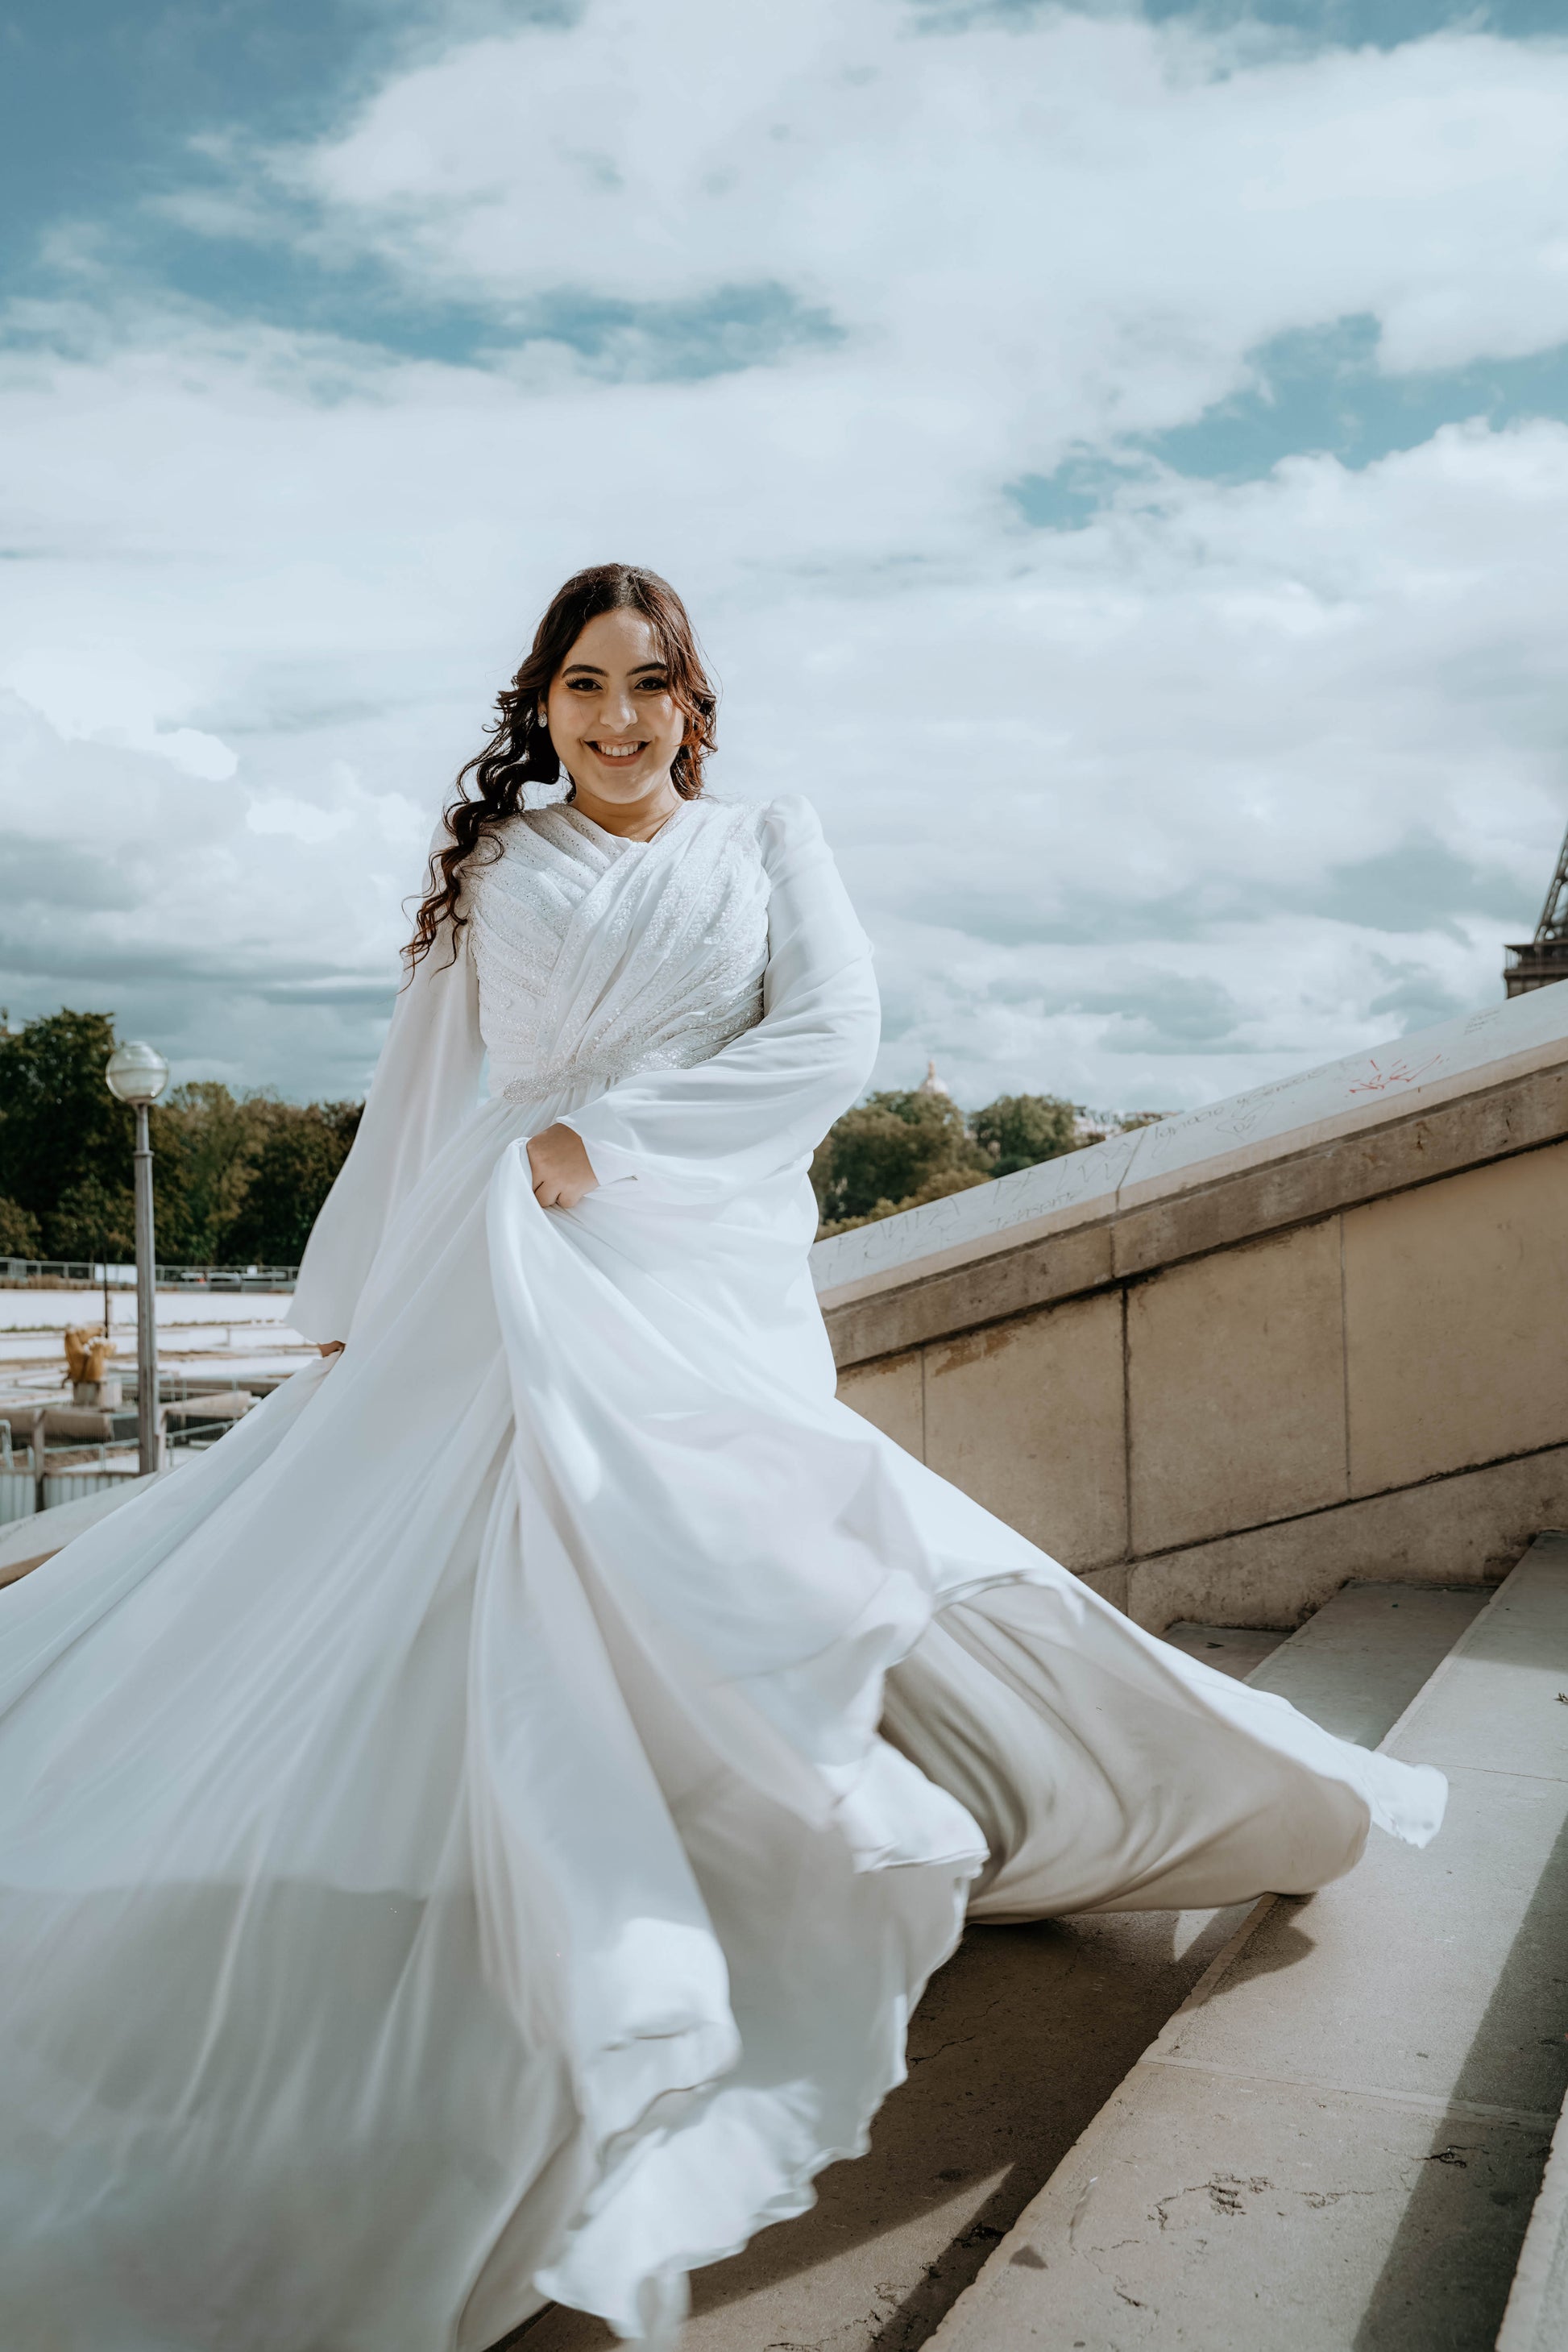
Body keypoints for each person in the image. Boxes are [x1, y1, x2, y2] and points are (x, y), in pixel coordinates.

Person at [0, 564, 1445, 2352]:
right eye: (584, 685)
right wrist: (358, 1297)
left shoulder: (769, 838)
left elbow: (829, 1035)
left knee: (735, 1567)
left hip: (674, 1262)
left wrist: (606, 1136)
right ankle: (519, 1949)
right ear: (540, 702)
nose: (616, 718)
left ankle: (995, 1822)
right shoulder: (490, 871)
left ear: (696, 701)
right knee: (478, 1613)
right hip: (492, 1272)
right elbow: (423, 1086)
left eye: (649, 685)